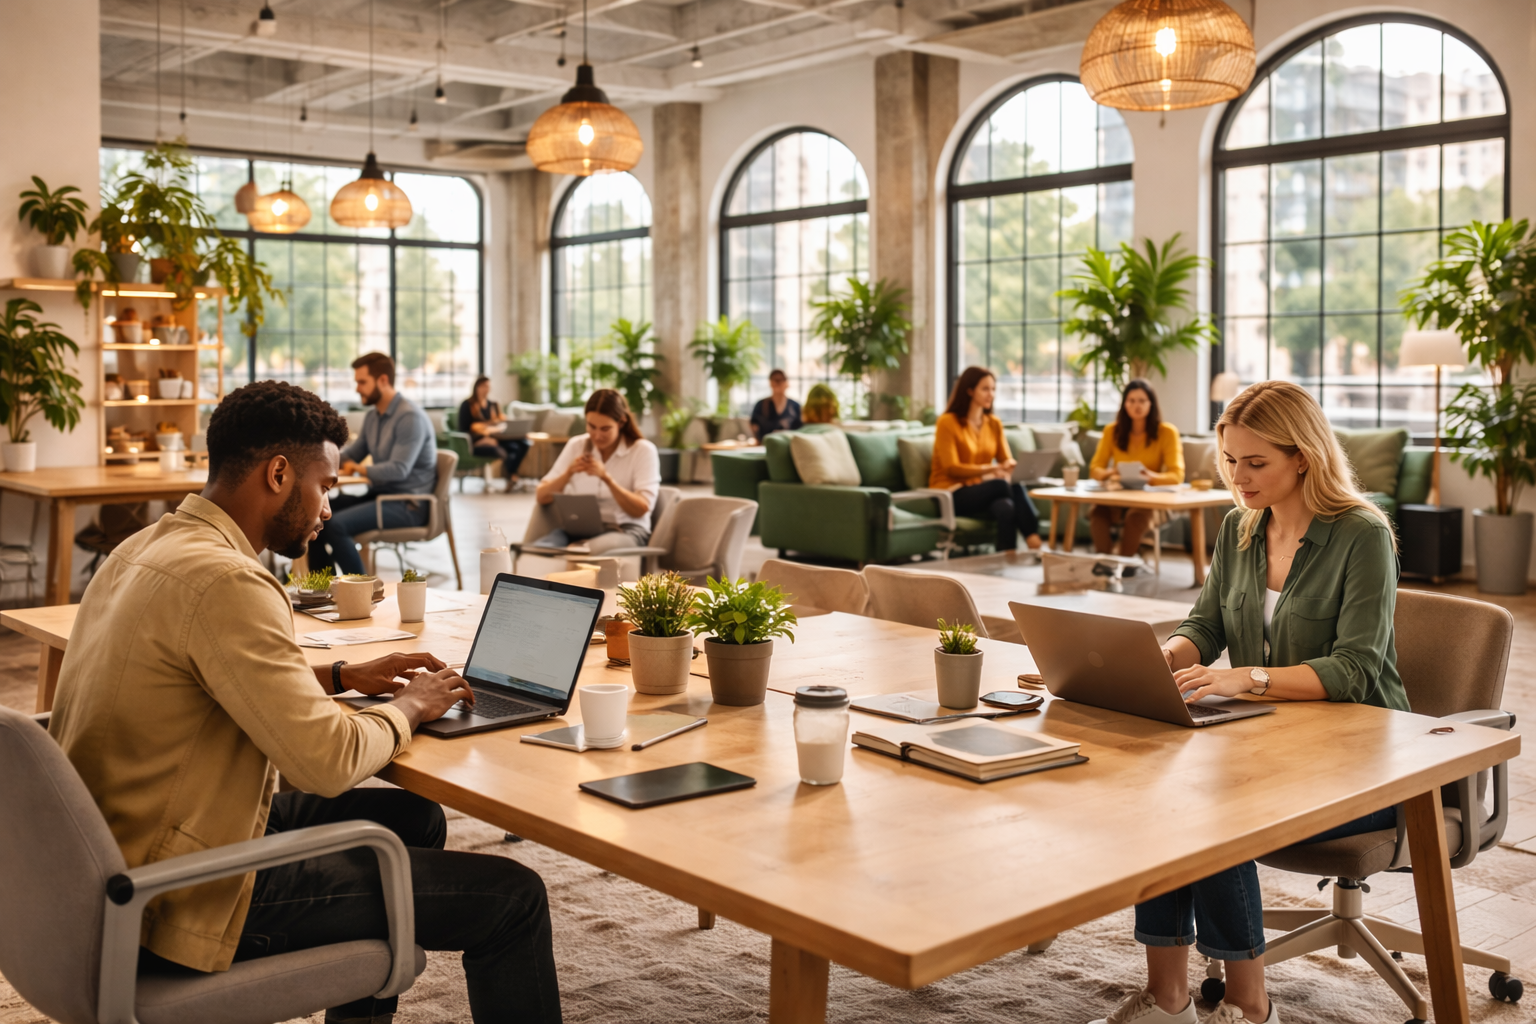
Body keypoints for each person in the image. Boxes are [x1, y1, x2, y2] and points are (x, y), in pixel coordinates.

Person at [49, 380, 562, 1024]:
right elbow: (326, 761)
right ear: (279, 473)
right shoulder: (229, 579)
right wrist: (412, 706)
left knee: (415, 822)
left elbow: (197, 675)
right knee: (514, 897)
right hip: (181, 895)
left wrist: (344, 673)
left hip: (122, 853)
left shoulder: (142, 549)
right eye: (326, 485)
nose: (328, 507)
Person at [1089, 379, 1407, 1024]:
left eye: (1255, 462)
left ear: (1304, 457)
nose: (1238, 476)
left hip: (1366, 762)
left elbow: (1353, 670)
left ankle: (1249, 1005)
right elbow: (1204, 624)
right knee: (1163, 788)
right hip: (1271, 741)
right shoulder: (1239, 526)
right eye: (1230, 460)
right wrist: (1161, 660)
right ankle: (1168, 1000)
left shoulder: (1362, 535)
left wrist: (1246, 678)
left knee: (1216, 816)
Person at [309, 353, 438, 576]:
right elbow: (353, 455)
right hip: (381, 497)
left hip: (408, 505)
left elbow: (399, 470)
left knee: (337, 525)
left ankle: (362, 593)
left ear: (383, 381)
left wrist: (359, 469)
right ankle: (324, 590)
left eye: (362, 382)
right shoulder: (373, 417)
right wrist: (317, 461)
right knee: (311, 514)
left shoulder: (410, 418)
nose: (357, 388)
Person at [929, 366, 1043, 554]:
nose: (991, 394)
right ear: (970, 390)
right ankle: (1033, 536)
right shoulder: (947, 422)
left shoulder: (994, 424)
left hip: (983, 490)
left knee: (1005, 506)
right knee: (1002, 485)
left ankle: (1006, 559)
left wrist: (1013, 467)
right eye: (985, 389)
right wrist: (990, 470)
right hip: (952, 492)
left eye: (993, 389)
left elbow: (1006, 460)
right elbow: (951, 468)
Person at [534, 389, 661, 552]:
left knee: (585, 550)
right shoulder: (577, 445)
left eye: (605, 429)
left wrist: (606, 478)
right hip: (579, 530)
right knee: (539, 550)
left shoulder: (642, 450)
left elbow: (641, 508)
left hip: (626, 531)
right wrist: (568, 474)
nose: (597, 435)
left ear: (621, 423)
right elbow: (541, 496)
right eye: (591, 426)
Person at [1089, 379, 1185, 560]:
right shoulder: (1112, 431)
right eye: (1131, 400)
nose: (1136, 406)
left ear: (1151, 404)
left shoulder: (1167, 432)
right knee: (1098, 513)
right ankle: (1105, 565)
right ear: (1124, 404)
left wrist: (1150, 476)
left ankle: (1124, 565)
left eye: (1142, 400)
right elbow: (1095, 469)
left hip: (1150, 501)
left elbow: (1177, 475)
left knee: (1135, 517)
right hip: (1118, 496)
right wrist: (1112, 472)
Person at [460, 375, 530, 485]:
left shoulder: (493, 405)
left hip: (498, 437)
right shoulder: (468, 405)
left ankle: (511, 474)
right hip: (478, 440)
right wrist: (481, 439)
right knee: (508, 449)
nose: (486, 389)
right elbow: (464, 428)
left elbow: (501, 420)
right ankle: (511, 476)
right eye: (483, 386)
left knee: (523, 444)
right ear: (476, 387)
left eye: (488, 386)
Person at [750, 369, 802, 441]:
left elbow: (800, 429)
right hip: (765, 446)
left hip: (789, 446)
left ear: (786, 383)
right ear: (770, 382)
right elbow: (754, 425)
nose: (778, 382)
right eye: (775, 380)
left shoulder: (795, 406)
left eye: (781, 380)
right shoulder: (761, 405)